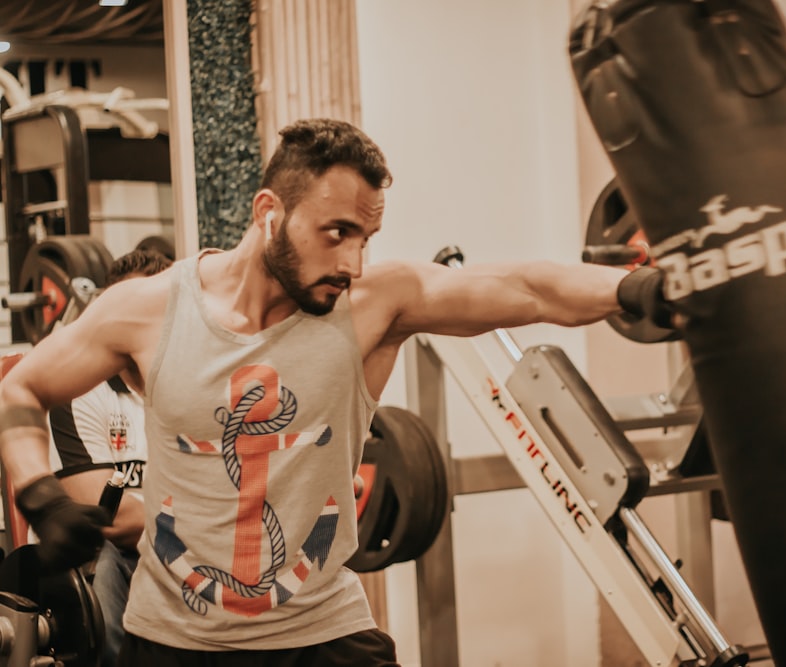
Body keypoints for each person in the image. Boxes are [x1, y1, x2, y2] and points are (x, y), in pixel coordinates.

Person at [0, 118, 675, 666]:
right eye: (337, 233)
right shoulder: (148, 311)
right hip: (175, 644)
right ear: (269, 211)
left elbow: (527, 287)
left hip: (324, 634)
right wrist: (38, 491)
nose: (353, 263)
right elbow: (21, 388)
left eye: (367, 237)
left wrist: (634, 289)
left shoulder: (372, 306)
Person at [45, 248, 173, 667]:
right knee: (119, 552)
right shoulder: (78, 390)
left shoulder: (191, 391)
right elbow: (106, 516)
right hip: (99, 568)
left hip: (182, 555)